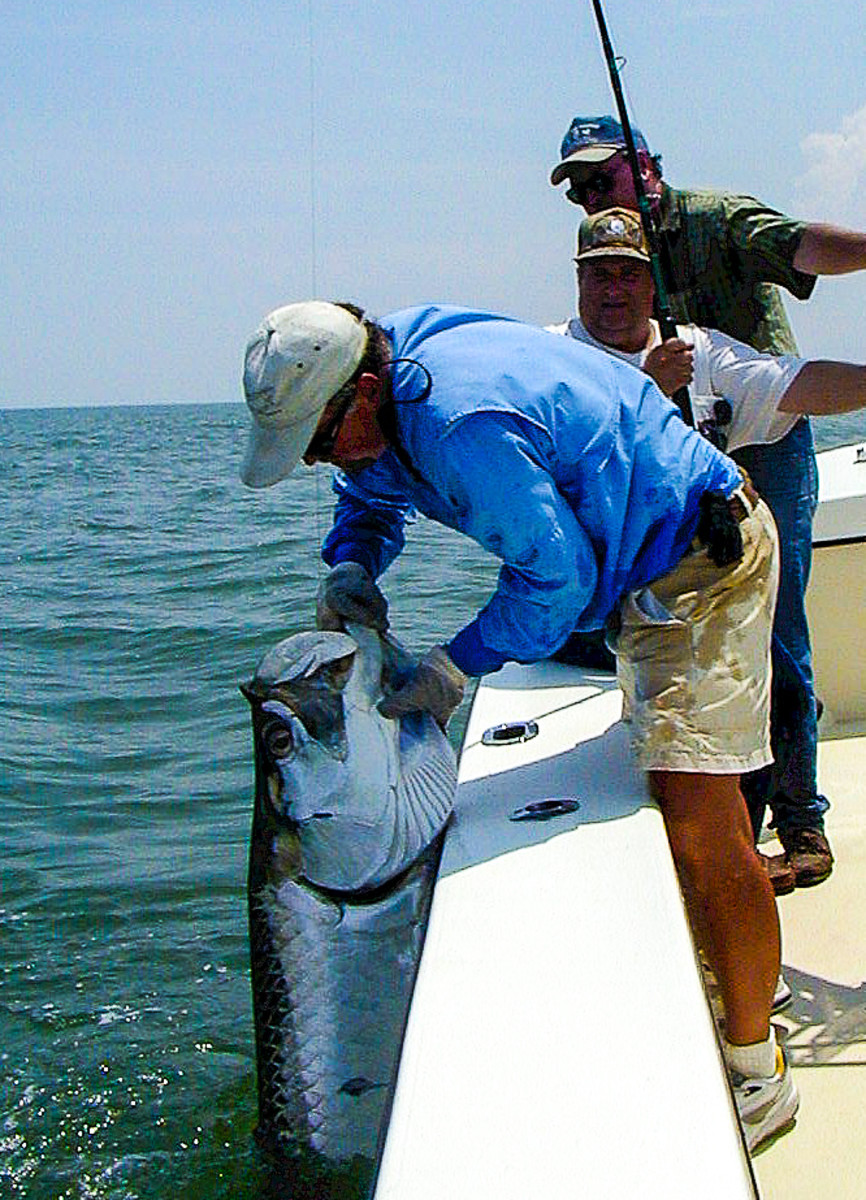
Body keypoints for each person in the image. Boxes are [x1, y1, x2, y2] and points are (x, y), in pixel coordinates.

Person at [240, 298, 798, 1152]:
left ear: (361, 392)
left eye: (318, 440)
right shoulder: (392, 365)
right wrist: (353, 562)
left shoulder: (461, 424)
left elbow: (557, 584)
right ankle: (737, 974)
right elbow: (372, 492)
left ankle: (757, 1067)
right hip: (640, 549)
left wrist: (454, 666)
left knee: (697, 816)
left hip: (699, 556)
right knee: (678, 794)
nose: (321, 460)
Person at [549, 114, 866, 890]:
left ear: (644, 166)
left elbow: (799, 279)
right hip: (643, 520)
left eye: (603, 178)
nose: (591, 195)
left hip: (751, 441)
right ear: (579, 279)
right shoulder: (556, 359)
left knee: (775, 627)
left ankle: (793, 817)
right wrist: (646, 391)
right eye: (580, 191)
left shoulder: (711, 231)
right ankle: (724, 832)